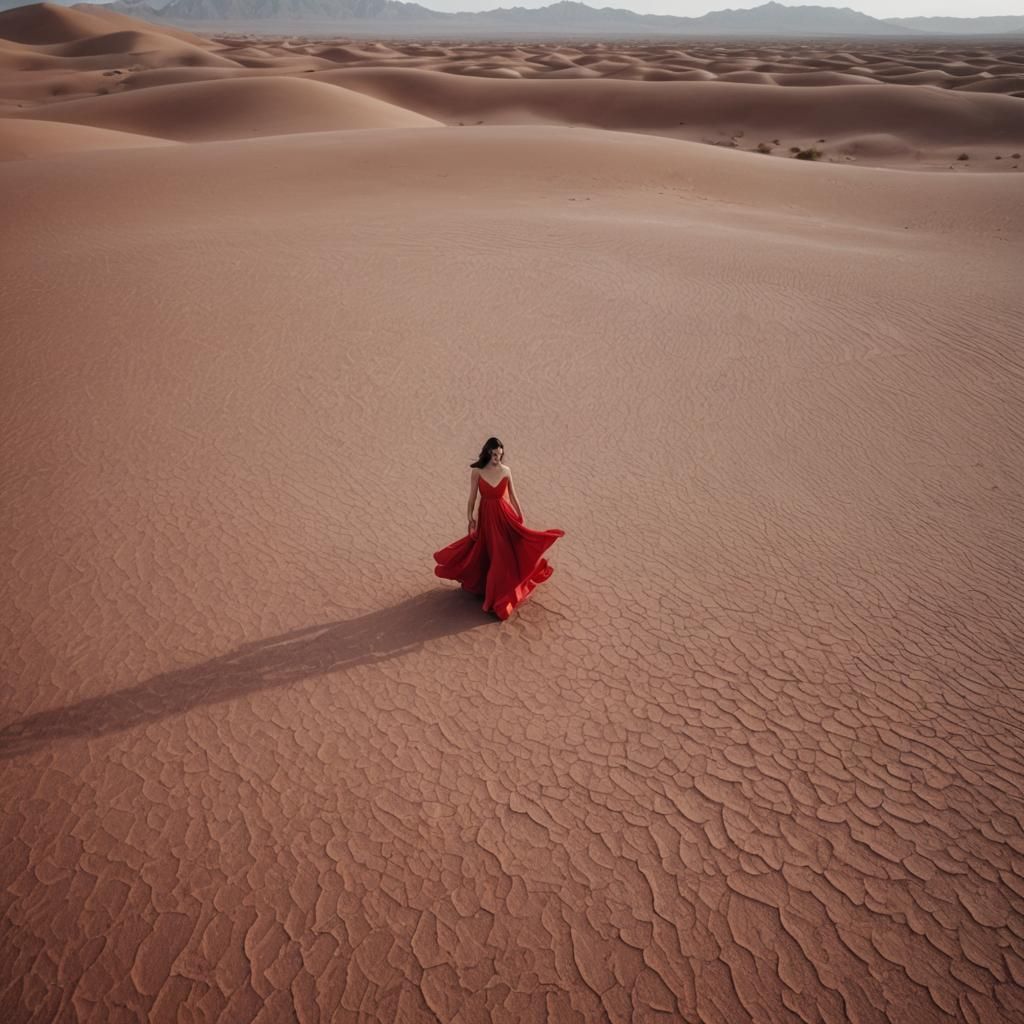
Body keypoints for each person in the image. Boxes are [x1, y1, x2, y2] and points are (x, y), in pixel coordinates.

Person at [433, 437, 565, 620]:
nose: (497, 458)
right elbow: (472, 498)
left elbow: (512, 495)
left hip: (504, 516)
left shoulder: (506, 471)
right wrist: (470, 517)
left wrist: (521, 514)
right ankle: (487, 591)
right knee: (486, 552)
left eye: (500, 455)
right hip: (486, 517)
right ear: (488, 452)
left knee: (502, 555)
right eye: (495, 454)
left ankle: (499, 600)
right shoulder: (477, 471)